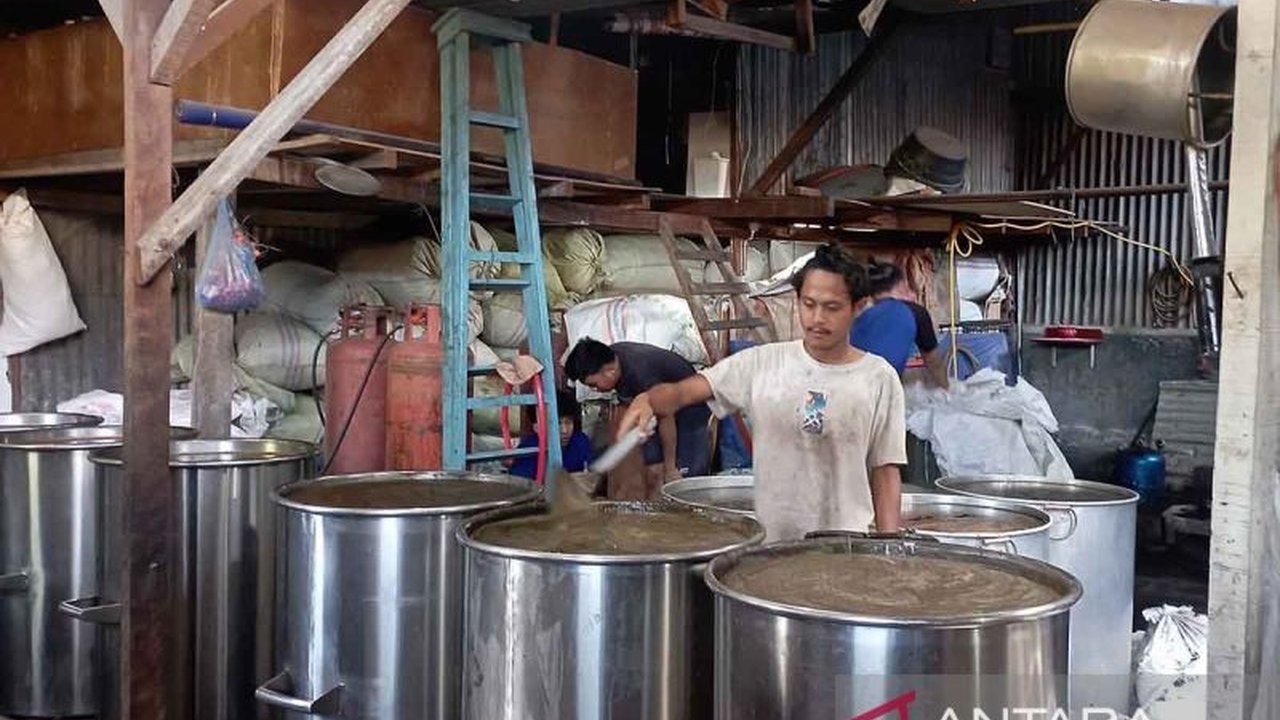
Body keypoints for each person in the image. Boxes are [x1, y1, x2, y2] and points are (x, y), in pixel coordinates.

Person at [616, 244, 906, 540]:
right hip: (771, 548)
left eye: (831, 307)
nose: (817, 318)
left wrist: (888, 549)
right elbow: (686, 392)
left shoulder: (877, 378)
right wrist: (650, 399)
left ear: (858, 307)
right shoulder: (762, 363)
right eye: (808, 304)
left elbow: (885, 470)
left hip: (847, 547)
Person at [564, 338, 712, 487]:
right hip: (656, 408)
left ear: (609, 371)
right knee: (654, 467)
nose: (594, 390)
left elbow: (666, 418)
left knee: (686, 476)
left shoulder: (641, 372)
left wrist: (670, 467)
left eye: (594, 385)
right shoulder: (611, 360)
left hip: (689, 406)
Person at [851, 261, 950, 389]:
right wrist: (947, 391)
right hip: (879, 392)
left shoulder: (854, 313)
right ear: (901, 285)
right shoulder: (915, 312)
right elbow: (934, 362)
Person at [509, 390, 595, 479]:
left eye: (568, 422)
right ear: (536, 427)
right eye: (557, 423)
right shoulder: (528, 451)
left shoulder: (580, 441)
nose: (564, 430)